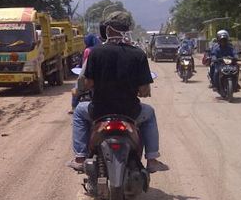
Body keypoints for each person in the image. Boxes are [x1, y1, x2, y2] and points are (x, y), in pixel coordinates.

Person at [68, 11, 168, 176]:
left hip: (99, 111)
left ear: (107, 30)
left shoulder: (96, 53)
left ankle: (79, 158)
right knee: (149, 112)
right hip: (130, 112)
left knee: (79, 111)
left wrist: (85, 87)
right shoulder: (138, 54)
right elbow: (144, 91)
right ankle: (151, 160)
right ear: (127, 29)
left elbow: (88, 83)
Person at [69, 34, 100, 114]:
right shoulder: (100, 49)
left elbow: (85, 64)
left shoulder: (87, 50)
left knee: (77, 88)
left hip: (88, 74)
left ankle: (74, 107)